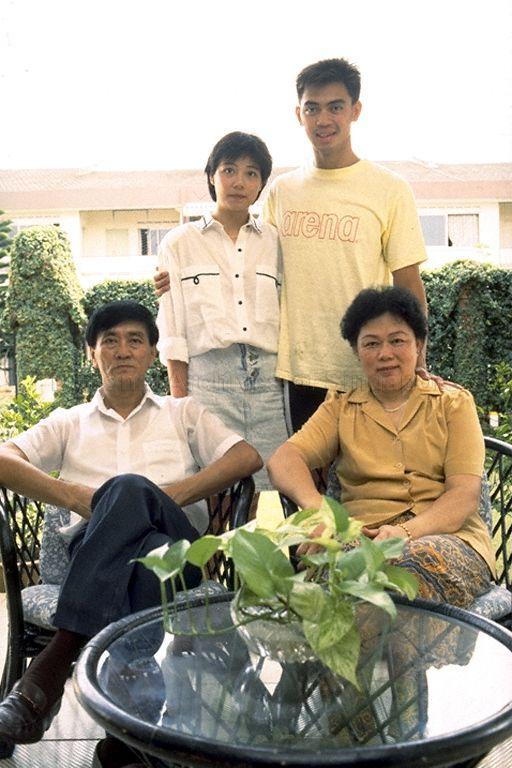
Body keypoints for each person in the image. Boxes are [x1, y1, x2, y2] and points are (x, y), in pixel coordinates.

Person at [0, 300, 261, 765]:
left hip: (182, 558)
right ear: (92, 355)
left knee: (129, 491)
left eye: (135, 340)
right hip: (100, 559)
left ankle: (55, 662)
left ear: (152, 353)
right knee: (140, 539)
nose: (123, 350)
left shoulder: (183, 414)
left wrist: (171, 496)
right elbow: (4, 460)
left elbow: (245, 458)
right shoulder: (68, 421)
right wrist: (76, 497)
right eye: (110, 341)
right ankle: (132, 743)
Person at [267, 286, 495, 607]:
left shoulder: (452, 404)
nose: (385, 354)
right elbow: (284, 460)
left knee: (401, 572)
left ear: (418, 345)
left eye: (397, 340)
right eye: (371, 343)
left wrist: (406, 533)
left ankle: (381, 656)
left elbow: (463, 495)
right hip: (359, 540)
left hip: (446, 539)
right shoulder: (341, 407)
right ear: (357, 352)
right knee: (329, 577)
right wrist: (322, 513)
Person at [263, 58, 429, 431]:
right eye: (313, 108)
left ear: (355, 110)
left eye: (335, 107)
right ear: (298, 114)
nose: (323, 120)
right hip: (299, 371)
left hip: (368, 367)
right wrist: (175, 275)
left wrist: (417, 360)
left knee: (371, 485)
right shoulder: (281, 191)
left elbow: (409, 283)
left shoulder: (390, 189)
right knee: (309, 487)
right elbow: (248, 263)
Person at [156, 131, 288, 491]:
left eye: (251, 173)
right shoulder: (179, 243)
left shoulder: (276, 242)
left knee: (273, 490)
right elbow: (172, 329)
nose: (239, 182)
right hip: (208, 384)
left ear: (261, 184)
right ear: (212, 176)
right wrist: (180, 403)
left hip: (269, 387)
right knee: (212, 494)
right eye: (229, 170)